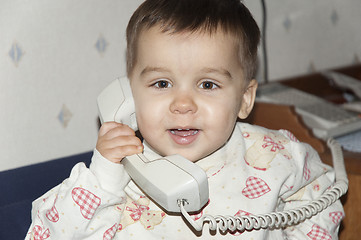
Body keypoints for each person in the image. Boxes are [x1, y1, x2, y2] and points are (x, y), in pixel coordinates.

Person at [26, 0, 344, 239]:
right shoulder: (115, 174)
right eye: (161, 84)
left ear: (245, 99)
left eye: (207, 85)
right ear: (128, 93)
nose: (182, 104)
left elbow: (322, 200)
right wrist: (103, 178)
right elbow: (45, 233)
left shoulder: (276, 155)